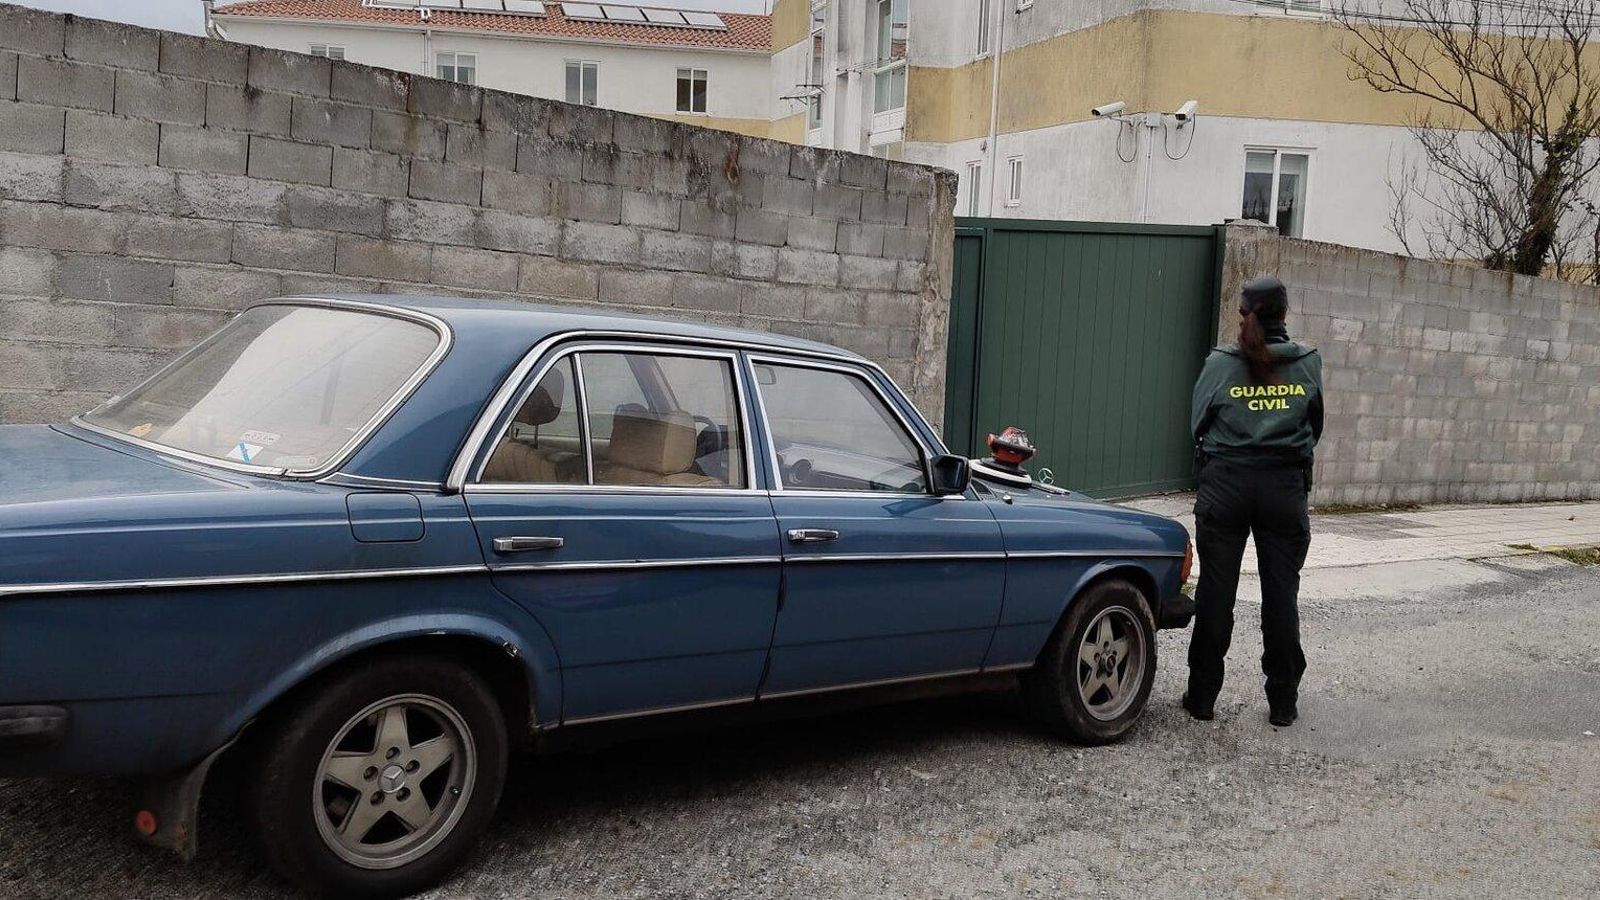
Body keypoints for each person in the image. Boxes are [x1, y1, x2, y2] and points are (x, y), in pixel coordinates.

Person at [1184, 275, 1324, 727]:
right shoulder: (1306, 363)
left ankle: (1203, 697)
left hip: (1225, 485)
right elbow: (1314, 426)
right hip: (1283, 487)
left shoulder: (1221, 363)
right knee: (1281, 596)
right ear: (1283, 315)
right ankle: (1283, 703)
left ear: (1244, 314)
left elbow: (1197, 423)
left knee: (1215, 593)